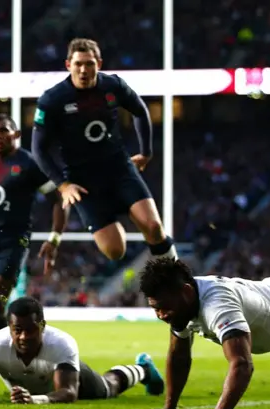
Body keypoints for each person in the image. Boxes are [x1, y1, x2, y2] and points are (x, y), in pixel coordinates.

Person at [31, 38, 177, 262]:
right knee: (115, 251)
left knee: (154, 227)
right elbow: (38, 149)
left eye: (89, 64)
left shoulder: (113, 85)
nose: (84, 70)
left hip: (118, 169)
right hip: (83, 182)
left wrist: (146, 152)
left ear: (99, 63)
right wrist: (63, 185)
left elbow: (140, 110)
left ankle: (175, 278)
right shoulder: (52, 100)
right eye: (78, 64)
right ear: (68, 64)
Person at [0, 114, 68, 336]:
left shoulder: (30, 163)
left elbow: (59, 200)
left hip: (13, 243)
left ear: (16, 134)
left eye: (3, 130)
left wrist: (54, 238)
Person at [139, 257, 270, 409]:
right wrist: (169, 407)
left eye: (165, 307)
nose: (162, 315)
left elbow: (242, 364)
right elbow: (179, 357)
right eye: (156, 308)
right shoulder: (182, 304)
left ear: (187, 291)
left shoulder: (218, 305)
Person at [0, 297, 164, 404]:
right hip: (36, 388)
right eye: (17, 330)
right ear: (9, 328)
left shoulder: (61, 343)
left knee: (108, 387)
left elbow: (69, 393)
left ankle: (143, 368)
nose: (24, 336)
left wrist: (34, 400)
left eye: (30, 330)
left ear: (42, 325)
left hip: (70, 378)